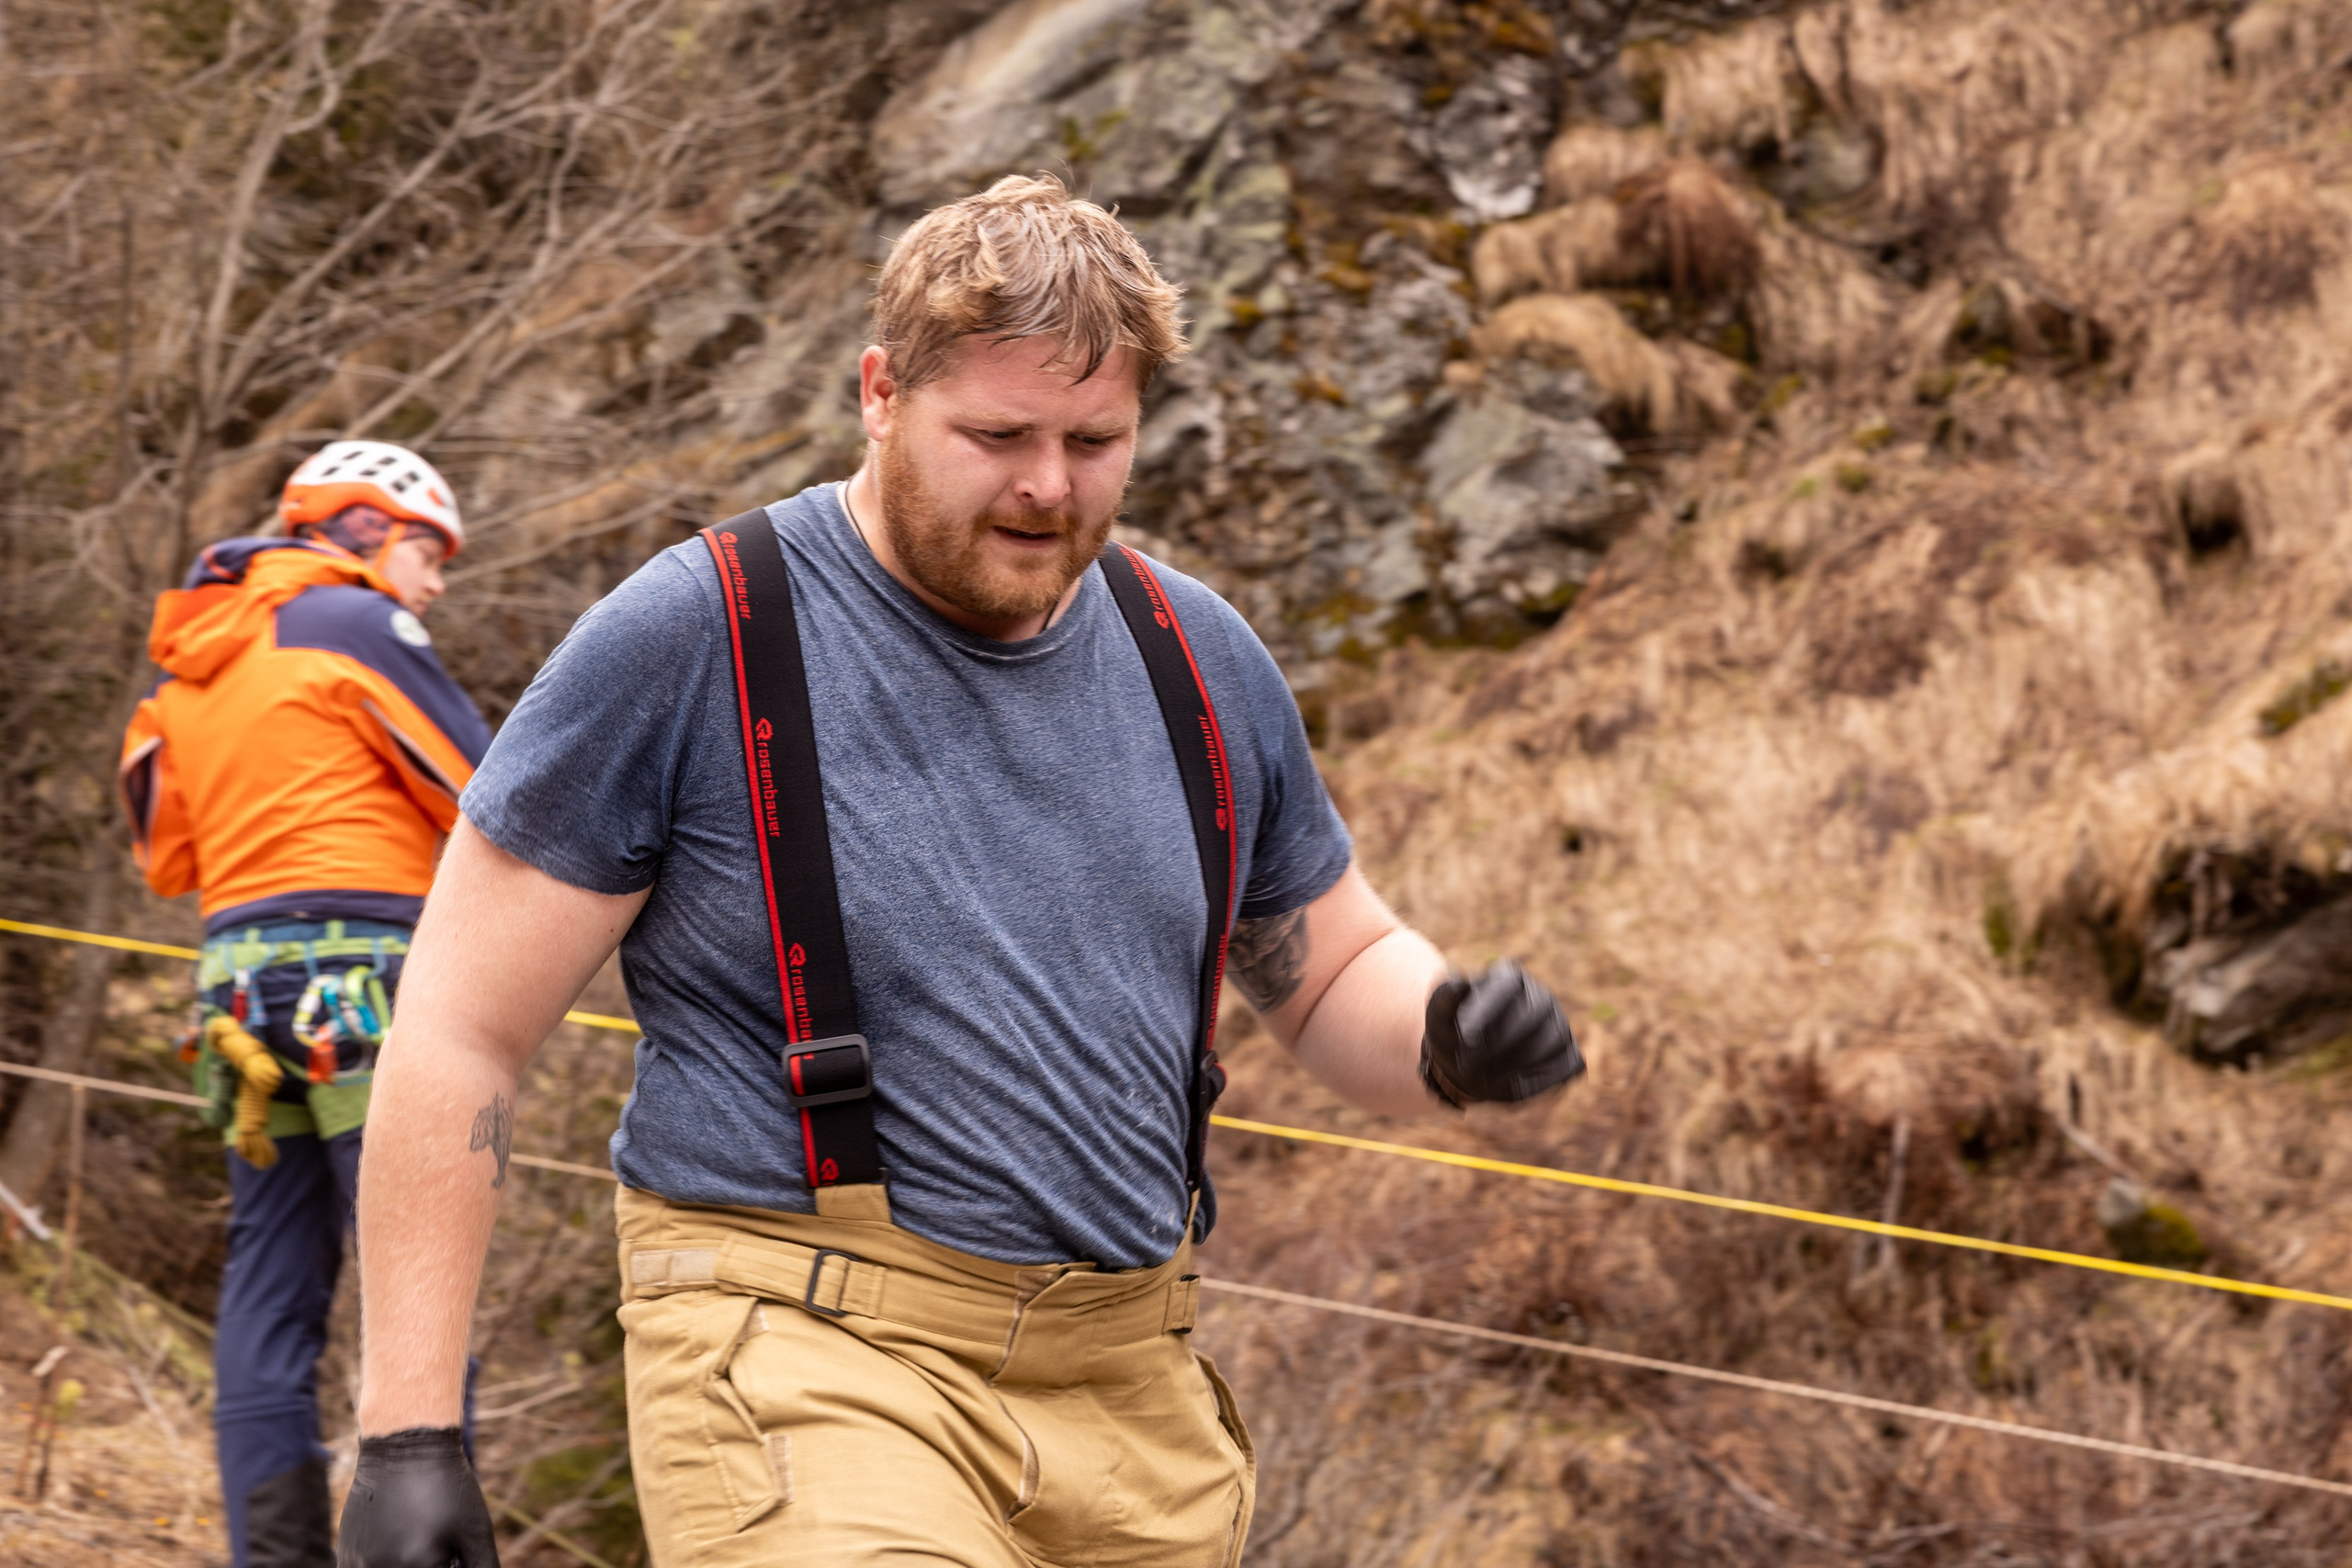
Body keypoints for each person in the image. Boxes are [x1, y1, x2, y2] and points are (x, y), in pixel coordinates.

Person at [336, 175, 1581, 1568]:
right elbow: (460, 1026)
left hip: (1136, 1390)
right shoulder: (700, 635)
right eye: (996, 434)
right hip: (806, 1350)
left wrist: (1449, 1037)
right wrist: (408, 1435)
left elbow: (1331, 965)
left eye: (1094, 439)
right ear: (880, 392)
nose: (1049, 483)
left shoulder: (1199, 656)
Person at [120, 441, 491, 1568]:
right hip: (368, 983)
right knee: (418, 1271)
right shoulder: (354, 624)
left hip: (235, 997)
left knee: (270, 1285)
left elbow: (163, 856)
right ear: (363, 530)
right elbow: (494, 794)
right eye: (426, 551)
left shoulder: (179, 675)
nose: (432, 582)